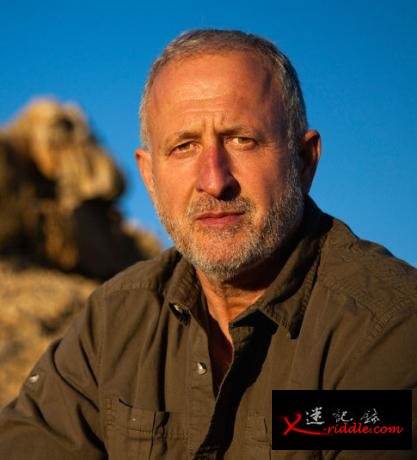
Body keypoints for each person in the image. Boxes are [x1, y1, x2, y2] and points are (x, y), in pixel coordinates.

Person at [0, 29, 416, 459]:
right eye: (184, 146)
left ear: (304, 160)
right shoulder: (113, 323)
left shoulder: (387, 330)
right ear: (149, 177)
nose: (214, 181)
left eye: (242, 140)